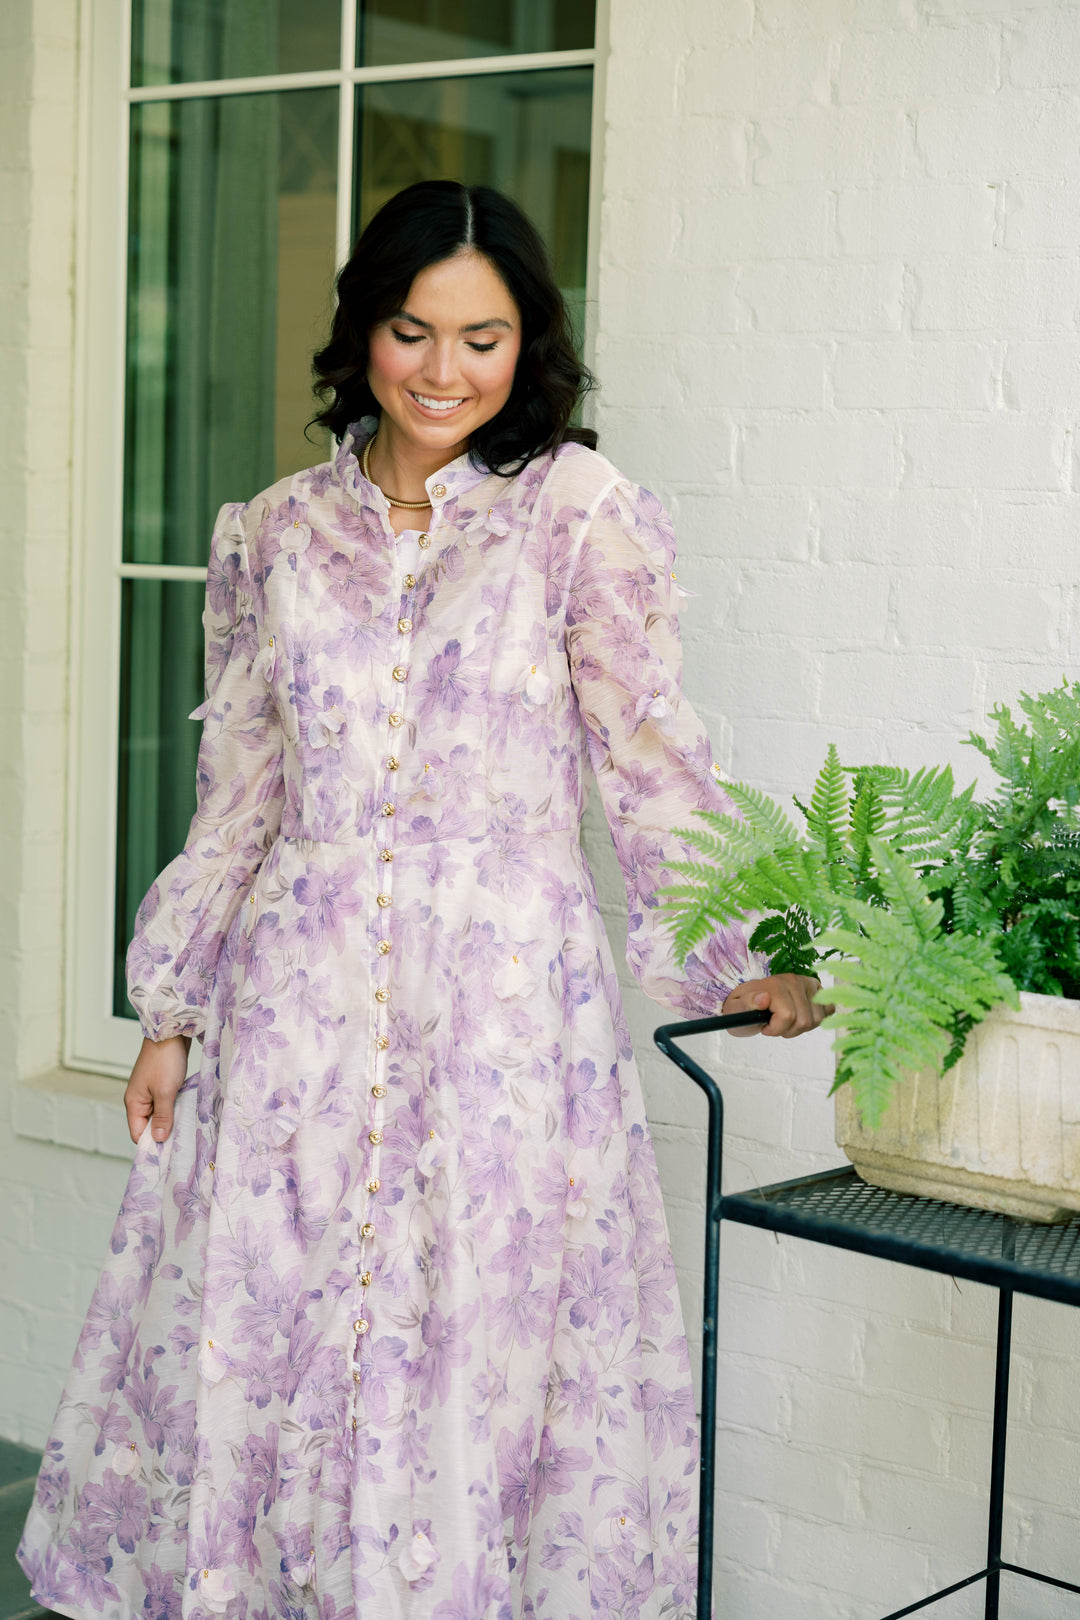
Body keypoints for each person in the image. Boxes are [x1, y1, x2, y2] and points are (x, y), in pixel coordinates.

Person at [19, 180, 828, 1620]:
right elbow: (243, 793)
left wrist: (744, 954)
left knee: (478, 1350)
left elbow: (650, 763)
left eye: (484, 338)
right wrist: (173, 1009)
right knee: (283, 1335)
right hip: (297, 1018)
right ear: (363, 330)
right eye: (413, 330)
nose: (445, 370)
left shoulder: (577, 517)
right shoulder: (275, 534)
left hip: (503, 1021)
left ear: (530, 345)